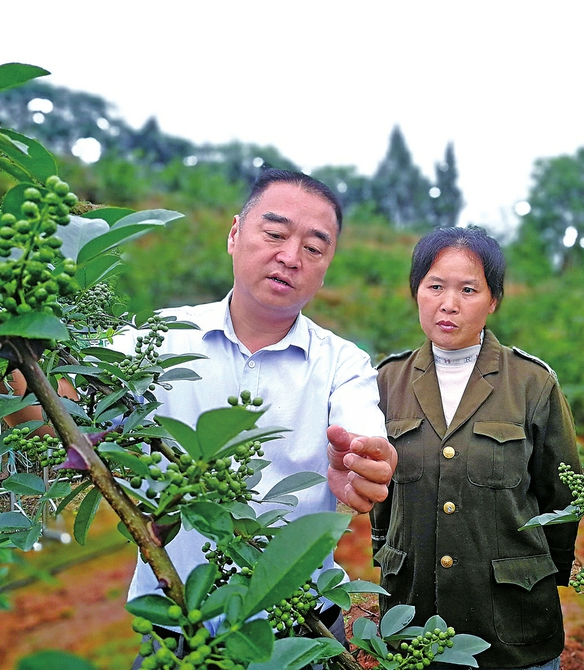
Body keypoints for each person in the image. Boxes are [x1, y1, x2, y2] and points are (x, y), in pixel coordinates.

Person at [121, 169, 397, 655]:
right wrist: (12, 347)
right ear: (234, 234)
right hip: (174, 620)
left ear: (326, 265)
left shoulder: (342, 363)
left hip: (299, 627)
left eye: (314, 249)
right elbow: (64, 403)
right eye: (274, 234)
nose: (290, 257)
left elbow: (362, 431)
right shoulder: (158, 338)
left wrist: (365, 460)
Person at [371, 227, 581, 670]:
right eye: (435, 287)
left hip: (510, 618)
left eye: (468, 289)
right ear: (416, 293)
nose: (449, 304)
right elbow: (381, 497)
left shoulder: (531, 383)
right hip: (413, 616)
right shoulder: (387, 382)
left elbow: (561, 494)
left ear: (493, 300)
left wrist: (543, 570)